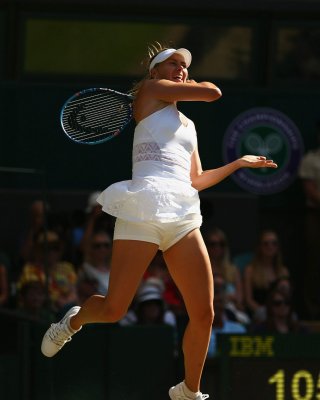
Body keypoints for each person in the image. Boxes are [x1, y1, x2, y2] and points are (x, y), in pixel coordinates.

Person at [41, 43, 277, 400]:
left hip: (182, 212)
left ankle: (188, 392)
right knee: (113, 309)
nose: (181, 69)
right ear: (154, 73)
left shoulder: (188, 124)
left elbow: (196, 178)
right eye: (174, 64)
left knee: (204, 313)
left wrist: (238, 164)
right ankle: (73, 322)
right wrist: (195, 81)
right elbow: (213, 92)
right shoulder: (151, 92)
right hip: (144, 207)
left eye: (185, 65)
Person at [203, 226, 249, 325]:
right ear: (206, 246)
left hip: (231, 310)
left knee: (245, 319)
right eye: (213, 244)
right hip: (206, 310)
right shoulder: (200, 269)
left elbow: (239, 299)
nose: (217, 247)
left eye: (221, 244)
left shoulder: (232, 270)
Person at [243, 229, 290, 323]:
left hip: (279, 311)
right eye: (266, 243)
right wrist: (264, 312)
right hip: (259, 312)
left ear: (277, 247)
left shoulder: (283, 271)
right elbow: (248, 300)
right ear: (260, 247)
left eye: (274, 243)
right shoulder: (250, 270)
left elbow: (287, 298)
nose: (270, 246)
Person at [298, 122, 320, 319]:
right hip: (316, 217)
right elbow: (310, 190)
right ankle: (312, 314)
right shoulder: (311, 160)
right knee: (314, 264)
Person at [207, 274, 246, 358]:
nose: (216, 306)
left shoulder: (238, 330)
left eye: (219, 302)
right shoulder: (197, 333)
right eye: (213, 303)